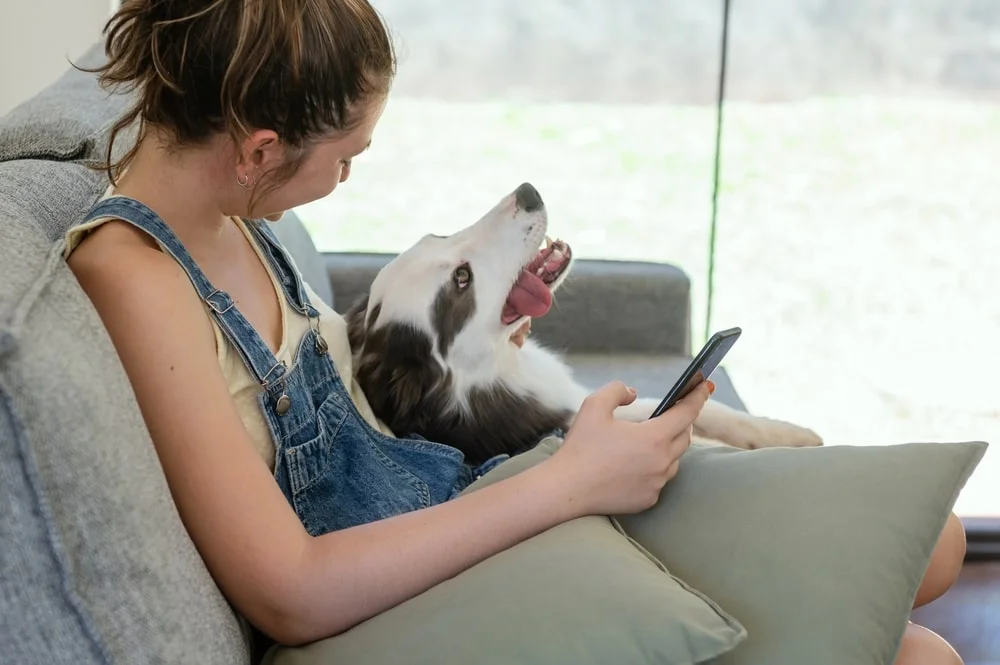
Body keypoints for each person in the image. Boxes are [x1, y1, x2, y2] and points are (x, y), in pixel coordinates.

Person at [64, 1, 965, 662]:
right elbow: (292, 589)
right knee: (921, 647)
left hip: (461, 501)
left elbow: (368, 401)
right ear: (261, 150)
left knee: (939, 546)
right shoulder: (134, 274)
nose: (344, 179)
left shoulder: (231, 216)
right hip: (397, 587)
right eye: (346, 159)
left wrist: (491, 330)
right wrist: (569, 482)